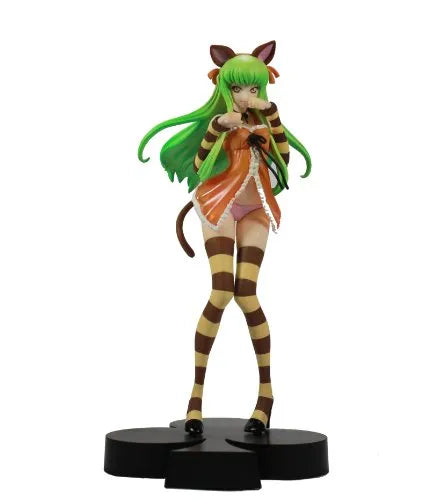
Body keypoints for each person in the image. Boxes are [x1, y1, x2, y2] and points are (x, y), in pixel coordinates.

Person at [138, 41, 311, 435]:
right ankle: (195, 398)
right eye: (236, 88)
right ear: (223, 87)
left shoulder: (266, 121)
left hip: (255, 210)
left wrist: (273, 118)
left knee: (247, 294)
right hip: (220, 207)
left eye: (252, 88)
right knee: (221, 291)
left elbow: (283, 164)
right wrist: (218, 128)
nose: (245, 95)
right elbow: (201, 166)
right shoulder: (222, 122)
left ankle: (266, 395)